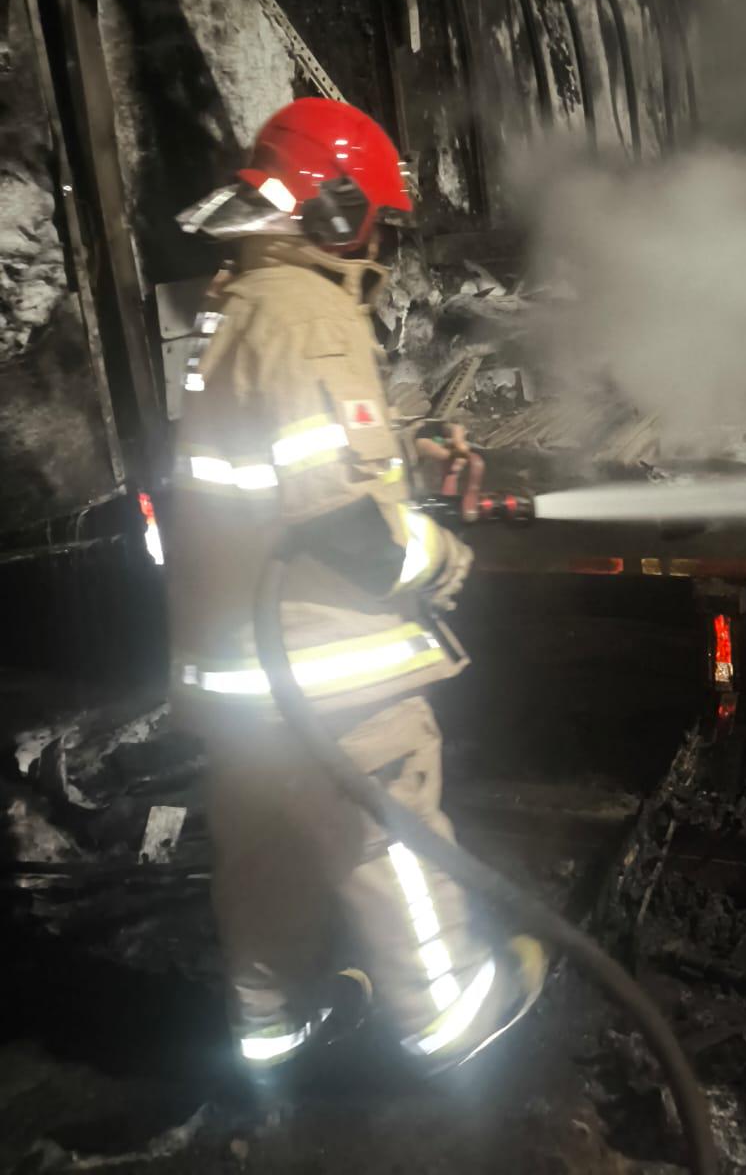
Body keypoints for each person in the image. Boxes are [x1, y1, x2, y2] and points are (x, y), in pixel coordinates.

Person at [167, 96, 545, 1087]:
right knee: (390, 835)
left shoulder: (240, 302)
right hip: (329, 666)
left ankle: (270, 1027)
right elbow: (338, 513)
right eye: (374, 215)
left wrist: (403, 455)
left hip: (243, 669)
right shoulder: (308, 313)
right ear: (333, 207)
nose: (379, 237)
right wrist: (442, 559)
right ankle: (452, 1015)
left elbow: (287, 463)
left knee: (265, 851)